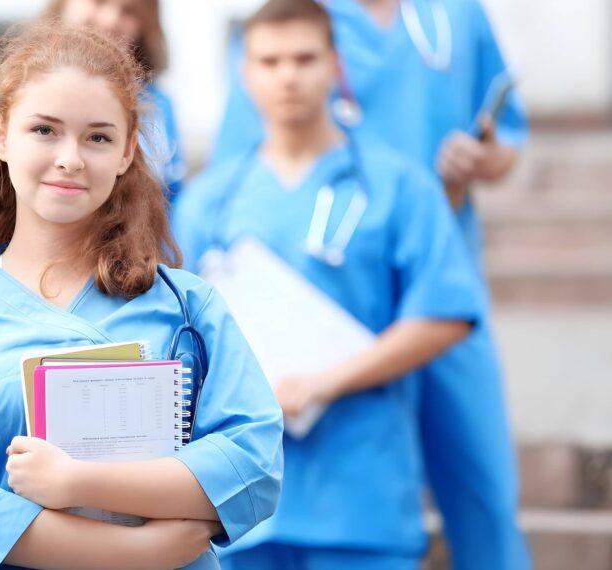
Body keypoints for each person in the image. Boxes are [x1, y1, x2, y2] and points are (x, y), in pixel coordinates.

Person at [0, 21, 283, 570]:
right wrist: (136, 552)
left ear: (125, 153)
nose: (70, 158)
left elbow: (254, 466)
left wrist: (78, 481)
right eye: (44, 130)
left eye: (98, 137)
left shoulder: (190, 310)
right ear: (1, 134)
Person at [208, 2, 531, 567]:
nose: (289, 73)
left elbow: (504, 135)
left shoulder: (455, 15)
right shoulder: (293, 21)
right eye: (274, 62)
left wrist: (483, 159)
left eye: (305, 60)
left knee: (483, 489)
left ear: (332, 64)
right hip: (322, 281)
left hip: (423, 267)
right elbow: (237, 195)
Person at [0, 0, 184, 201]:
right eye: (44, 130)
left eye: (129, 11)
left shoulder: (158, 109)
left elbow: (172, 202)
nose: (111, 19)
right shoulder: (8, 96)